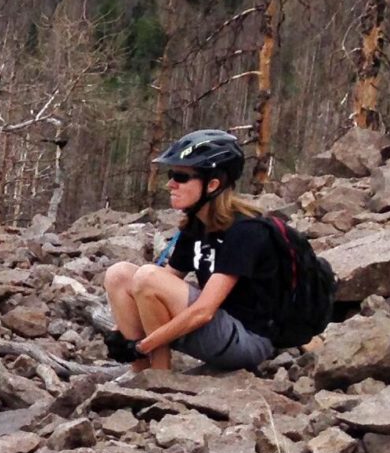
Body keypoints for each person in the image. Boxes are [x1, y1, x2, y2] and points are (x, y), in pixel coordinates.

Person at [102, 128, 283, 373]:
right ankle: (140, 373)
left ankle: (159, 377)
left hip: (248, 341)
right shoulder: (196, 225)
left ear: (213, 184)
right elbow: (160, 285)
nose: (170, 184)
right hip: (220, 329)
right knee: (119, 274)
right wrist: (120, 332)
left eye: (181, 176)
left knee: (147, 276)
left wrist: (141, 345)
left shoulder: (245, 231)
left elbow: (203, 312)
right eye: (171, 175)